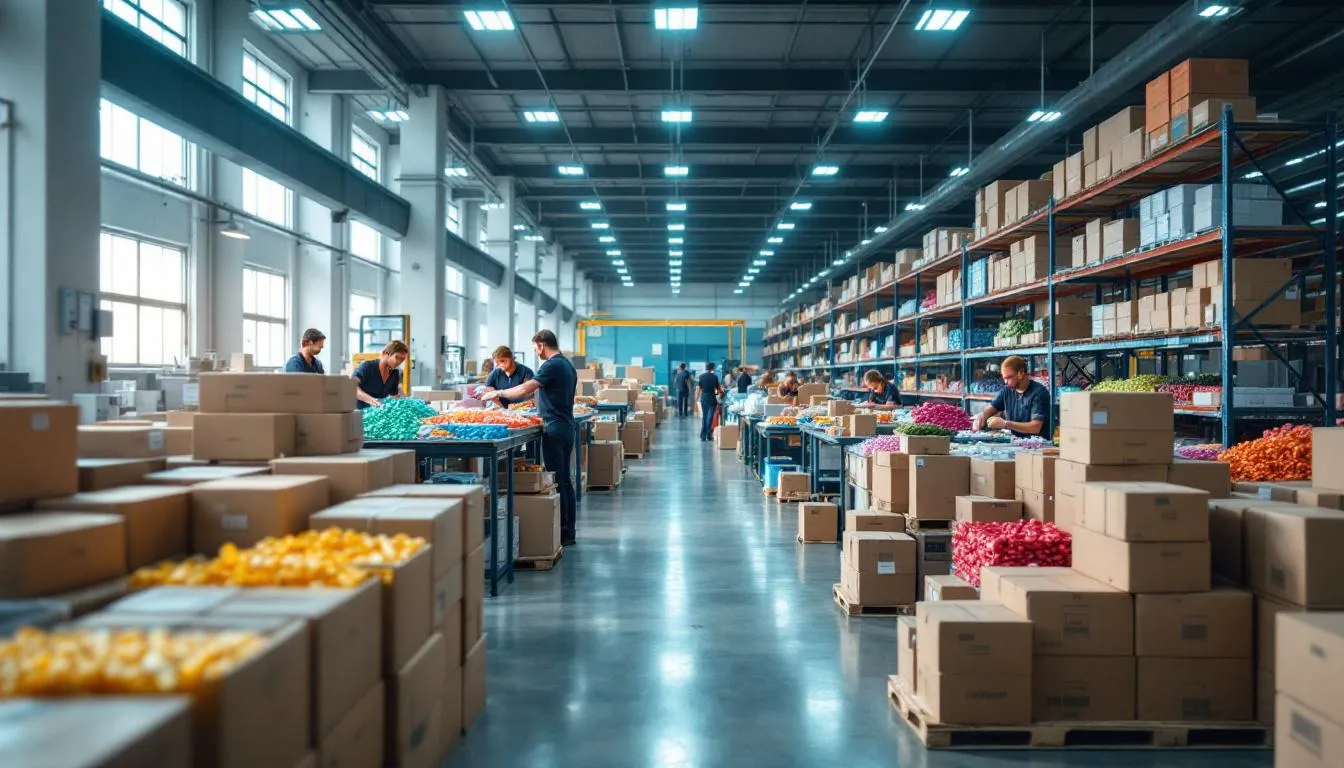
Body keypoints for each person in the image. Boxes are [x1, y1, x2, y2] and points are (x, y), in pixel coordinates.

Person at [482, 330, 578, 545]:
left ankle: (565, 533)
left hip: (554, 427)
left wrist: (498, 393)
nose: (536, 352)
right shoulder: (567, 364)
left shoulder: (551, 365)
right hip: (564, 425)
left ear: (541, 345)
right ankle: (567, 531)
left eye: (535, 348)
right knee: (564, 480)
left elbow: (527, 388)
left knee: (559, 479)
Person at [975, 355, 1051, 438]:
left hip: (1038, 444)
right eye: (1004, 378)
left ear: (1021, 373)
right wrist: (981, 417)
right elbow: (990, 410)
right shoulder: (1007, 390)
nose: (1005, 382)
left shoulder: (1039, 393)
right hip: (1017, 441)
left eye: (1009, 377)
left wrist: (1005, 424)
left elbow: (1035, 427)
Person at [353, 340, 408, 409]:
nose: (399, 362)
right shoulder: (367, 367)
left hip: (377, 414)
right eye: (397, 357)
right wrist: (372, 400)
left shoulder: (394, 374)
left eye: (402, 359)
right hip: (358, 413)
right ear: (386, 353)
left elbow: (394, 397)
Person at [697, 362, 724, 442]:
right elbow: (718, 388)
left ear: (706, 367)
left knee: (704, 417)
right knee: (710, 417)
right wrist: (722, 393)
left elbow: (699, 388)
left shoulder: (701, 376)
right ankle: (708, 435)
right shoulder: (714, 377)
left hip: (704, 398)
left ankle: (702, 435)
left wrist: (697, 398)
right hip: (712, 397)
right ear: (712, 368)